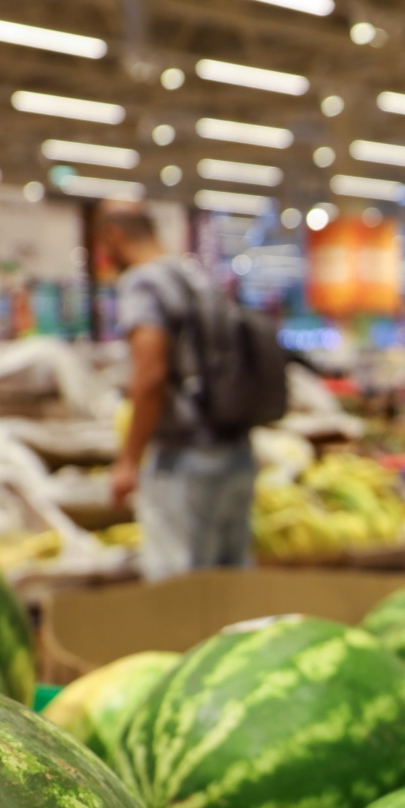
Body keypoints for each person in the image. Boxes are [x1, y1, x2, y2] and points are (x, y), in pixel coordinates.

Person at [102, 202, 257, 580]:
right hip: (235, 450)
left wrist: (128, 460)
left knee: (178, 592)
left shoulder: (143, 282)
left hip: (184, 458)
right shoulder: (197, 276)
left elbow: (151, 373)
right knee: (232, 587)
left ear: (115, 237)